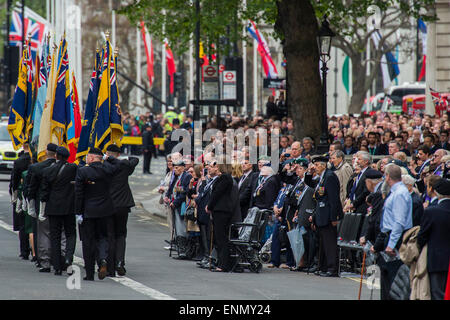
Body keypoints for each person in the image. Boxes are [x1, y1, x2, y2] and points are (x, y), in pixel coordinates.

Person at [75, 148, 118, 281]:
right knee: (103, 237)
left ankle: (89, 273)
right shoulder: (108, 169)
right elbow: (119, 164)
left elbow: (79, 194)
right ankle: (103, 259)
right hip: (105, 210)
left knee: (88, 241)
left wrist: (78, 212)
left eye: (88, 156)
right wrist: (108, 158)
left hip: (88, 211)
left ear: (92, 158)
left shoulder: (83, 171)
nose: (86, 159)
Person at [371, 163, 412, 300]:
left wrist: (391, 243)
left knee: (393, 280)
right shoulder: (395, 191)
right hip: (388, 236)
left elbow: (399, 222)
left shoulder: (400, 193)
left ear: (388, 176)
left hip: (395, 238)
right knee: (386, 277)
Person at [40, 146, 77, 276]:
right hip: (69, 207)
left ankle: (56, 266)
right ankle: (68, 258)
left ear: (56, 156)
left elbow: (44, 193)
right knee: (70, 234)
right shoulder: (73, 168)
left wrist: (42, 208)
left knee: (54, 236)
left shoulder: (48, 170)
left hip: (53, 207)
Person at [105, 144, 139, 276]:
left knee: (110, 235)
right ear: (118, 154)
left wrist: (109, 159)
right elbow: (135, 159)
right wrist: (118, 159)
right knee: (121, 235)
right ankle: (120, 262)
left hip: (108, 204)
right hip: (123, 205)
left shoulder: (104, 165)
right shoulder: (124, 165)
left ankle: (110, 265)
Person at [307, 155, 342, 277]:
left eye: (316, 165)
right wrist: (308, 173)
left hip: (328, 215)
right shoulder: (322, 177)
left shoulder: (330, 176)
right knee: (322, 243)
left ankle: (332, 268)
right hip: (321, 214)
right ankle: (323, 266)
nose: (314, 167)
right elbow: (311, 185)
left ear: (323, 165)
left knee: (330, 243)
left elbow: (333, 199)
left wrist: (334, 217)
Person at [27, 143, 58, 272]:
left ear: (45, 152)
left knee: (43, 234)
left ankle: (44, 261)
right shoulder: (68, 168)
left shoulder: (37, 168)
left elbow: (31, 189)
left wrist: (30, 205)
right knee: (59, 234)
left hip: (42, 205)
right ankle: (59, 261)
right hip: (60, 205)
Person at [418, 177, 450, 300]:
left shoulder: (432, 211)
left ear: (436, 192)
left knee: (437, 293)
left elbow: (422, 236)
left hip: (437, 259)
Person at [205, 159, 234, 272]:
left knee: (221, 238)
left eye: (215, 166)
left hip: (222, 211)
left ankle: (223, 264)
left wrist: (209, 206)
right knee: (218, 237)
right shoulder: (222, 178)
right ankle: (221, 262)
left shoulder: (225, 178)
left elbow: (217, 194)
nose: (213, 167)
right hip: (219, 210)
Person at [166, 160, 192, 259]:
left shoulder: (186, 176)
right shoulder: (176, 176)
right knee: (177, 226)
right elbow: (171, 188)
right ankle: (180, 248)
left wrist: (175, 202)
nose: (175, 169)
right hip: (175, 205)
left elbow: (184, 192)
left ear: (182, 168)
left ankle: (183, 251)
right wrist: (167, 196)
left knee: (181, 227)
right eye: (174, 167)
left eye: (177, 168)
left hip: (182, 206)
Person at [9, 143, 31, 260]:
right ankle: (34, 251)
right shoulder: (36, 159)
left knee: (22, 224)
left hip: (22, 194)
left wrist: (13, 194)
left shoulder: (19, 161)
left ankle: (24, 251)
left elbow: (14, 181)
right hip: (34, 194)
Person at [359, 169, 384, 246]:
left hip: (380, 233)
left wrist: (367, 237)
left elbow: (374, 218)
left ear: (369, 182)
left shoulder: (379, 193)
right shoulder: (381, 189)